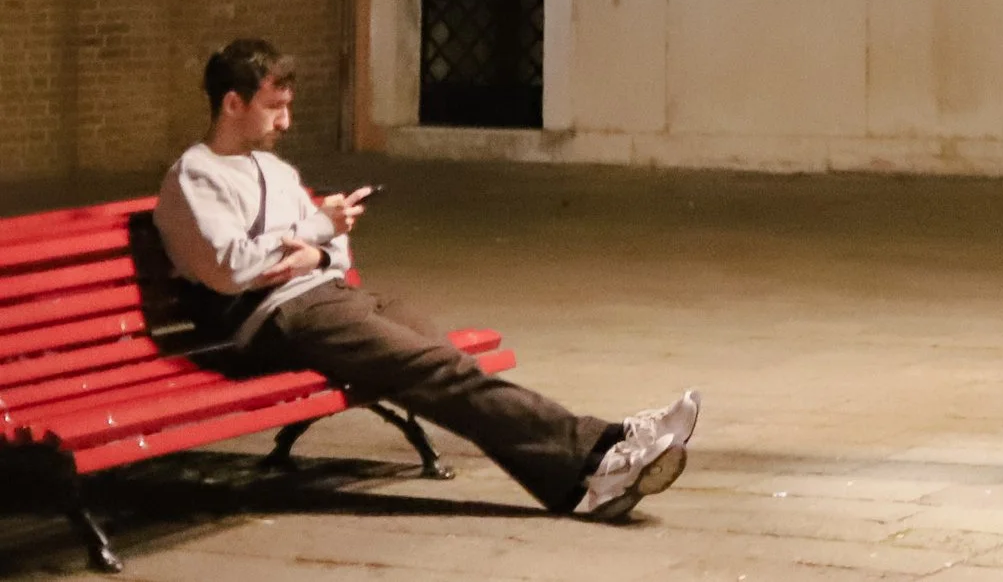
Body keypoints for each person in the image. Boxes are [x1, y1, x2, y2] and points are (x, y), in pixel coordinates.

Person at [153, 38, 700, 523]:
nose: (285, 123)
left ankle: (583, 479)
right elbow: (229, 268)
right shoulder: (195, 176)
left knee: (446, 367)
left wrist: (313, 255)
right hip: (273, 322)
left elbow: (335, 251)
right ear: (232, 103)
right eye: (274, 108)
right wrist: (313, 233)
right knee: (440, 369)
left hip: (328, 298)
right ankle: (601, 447)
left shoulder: (273, 170)